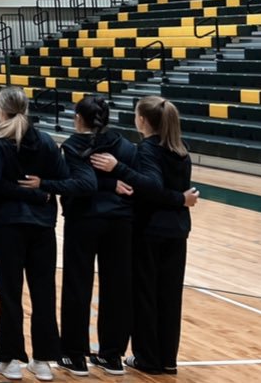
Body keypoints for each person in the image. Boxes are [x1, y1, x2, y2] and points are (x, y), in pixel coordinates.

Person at [0, 87, 94, 381]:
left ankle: (11, 359)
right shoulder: (45, 141)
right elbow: (67, 181)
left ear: (0, 110)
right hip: (42, 228)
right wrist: (42, 190)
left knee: (10, 294)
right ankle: (42, 361)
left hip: (9, 226)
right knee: (43, 294)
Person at [90, 96, 198, 376]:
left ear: (143, 120)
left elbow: (152, 186)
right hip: (177, 231)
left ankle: (148, 358)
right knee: (170, 297)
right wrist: (179, 200)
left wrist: (118, 168)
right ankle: (168, 359)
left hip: (151, 230)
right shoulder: (181, 150)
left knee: (146, 295)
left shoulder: (148, 149)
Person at [57, 96, 137, 377]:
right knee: (118, 288)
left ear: (79, 118)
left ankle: (74, 355)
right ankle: (112, 356)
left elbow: (75, 183)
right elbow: (130, 182)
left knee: (78, 284)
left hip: (84, 220)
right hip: (120, 222)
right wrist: (111, 184)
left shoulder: (72, 145)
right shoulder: (125, 146)